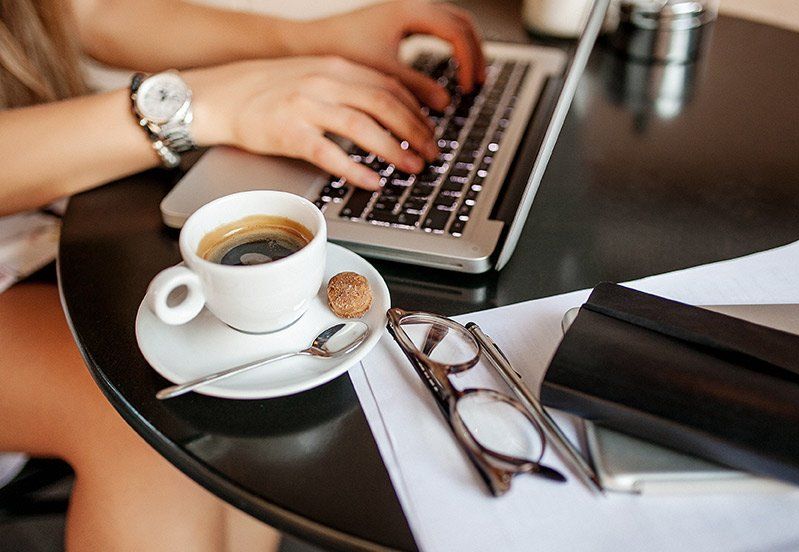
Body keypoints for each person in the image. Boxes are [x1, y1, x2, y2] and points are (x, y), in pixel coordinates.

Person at [0, 0, 485, 550]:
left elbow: (81, 12)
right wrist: (195, 105)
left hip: (36, 219)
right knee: (146, 429)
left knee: (236, 414)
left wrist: (309, 38)